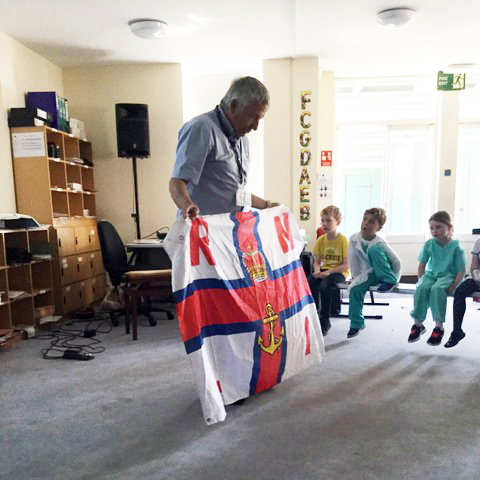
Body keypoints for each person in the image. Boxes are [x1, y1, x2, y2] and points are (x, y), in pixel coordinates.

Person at [169, 76, 275, 219]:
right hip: (203, 232)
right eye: (252, 116)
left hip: (231, 232)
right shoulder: (201, 128)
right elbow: (177, 181)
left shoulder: (243, 141)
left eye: (259, 119)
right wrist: (186, 205)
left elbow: (235, 193)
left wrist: (267, 206)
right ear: (234, 106)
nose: (255, 127)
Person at [408, 211, 466, 346]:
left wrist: (454, 285)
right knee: (422, 288)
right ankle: (418, 324)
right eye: (432, 228)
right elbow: (422, 264)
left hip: (448, 276)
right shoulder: (429, 244)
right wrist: (421, 279)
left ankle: (438, 327)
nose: (435, 231)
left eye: (439, 227)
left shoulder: (456, 247)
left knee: (437, 289)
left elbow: (461, 270)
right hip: (431, 275)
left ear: (449, 227)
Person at [347, 208, 401, 338]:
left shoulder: (379, 243)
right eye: (365, 219)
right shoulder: (354, 239)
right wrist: (354, 277)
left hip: (384, 272)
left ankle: (388, 280)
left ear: (379, 227)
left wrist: (394, 279)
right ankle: (356, 323)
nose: (366, 223)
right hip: (368, 273)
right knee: (355, 290)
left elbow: (396, 261)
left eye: (371, 222)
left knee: (373, 249)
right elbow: (352, 259)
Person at [307, 205, 349, 336]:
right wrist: (317, 270)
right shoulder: (320, 240)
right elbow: (317, 261)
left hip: (339, 272)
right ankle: (314, 316)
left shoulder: (344, 241)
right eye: (322, 220)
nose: (324, 224)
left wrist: (329, 272)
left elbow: (345, 265)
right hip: (325, 270)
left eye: (328, 221)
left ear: (338, 222)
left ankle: (325, 320)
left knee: (324, 286)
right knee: (309, 283)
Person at [444, 237, 480, 348]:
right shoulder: (479, 242)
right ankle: (457, 331)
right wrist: (477, 278)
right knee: (460, 291)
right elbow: (474, 266)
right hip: (478, 278)